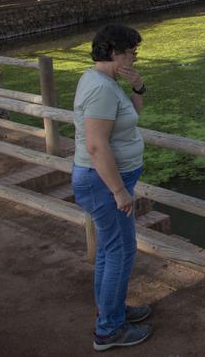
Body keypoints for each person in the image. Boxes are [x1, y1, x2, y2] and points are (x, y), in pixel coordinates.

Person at [72, 24, 153, 351]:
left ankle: (112, 311)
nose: (135, 55)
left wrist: (139, 88)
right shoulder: (101, 88)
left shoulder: (107, 82)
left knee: (109, 249)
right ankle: (108, 330)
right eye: (131, 50)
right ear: (114, 53)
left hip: (106, 181)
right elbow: (96, 146)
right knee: (121, 251)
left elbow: (130, 117)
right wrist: (119, 191)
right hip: (103, 183)